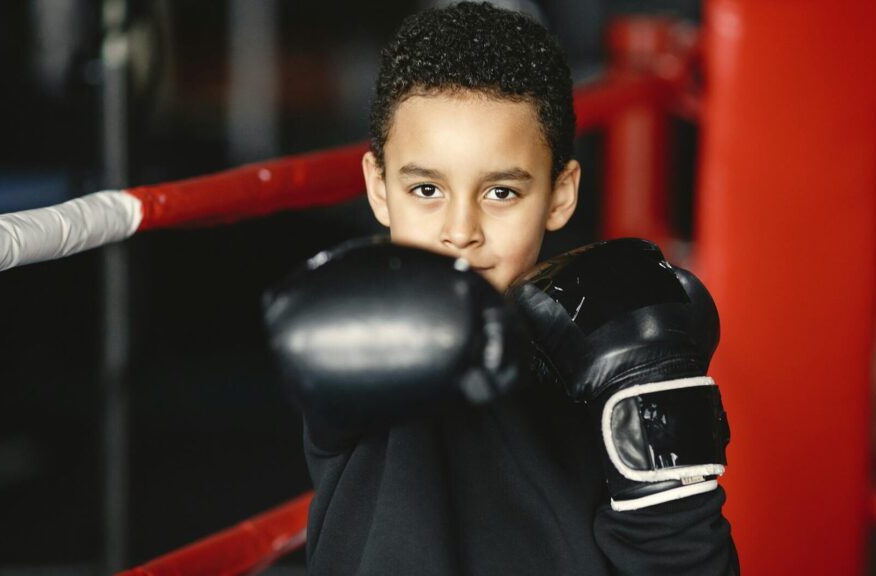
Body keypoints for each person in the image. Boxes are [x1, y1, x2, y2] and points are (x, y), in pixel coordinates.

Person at [263, 2, 738, 574]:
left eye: (501, 193)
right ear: (379, 188)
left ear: (560, 194)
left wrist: (653, 398)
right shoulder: (364, 338)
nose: (461, 231)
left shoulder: (601, 349)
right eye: (426, 190)